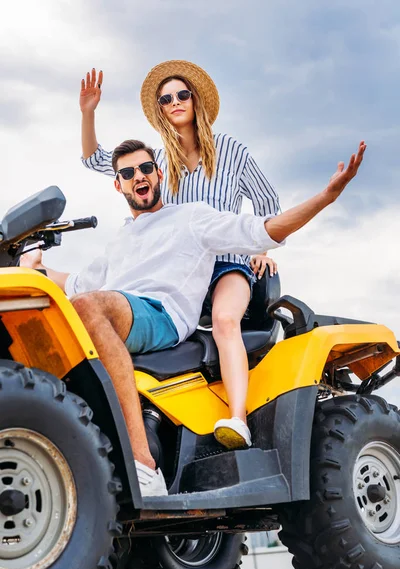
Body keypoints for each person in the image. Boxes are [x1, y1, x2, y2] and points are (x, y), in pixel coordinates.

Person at [21, 138, 366, 497]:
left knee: (88, 307)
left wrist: (325, 198)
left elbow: (263, 229)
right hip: (116, 309)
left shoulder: (191, 217)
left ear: (157, 173)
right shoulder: (121, 239)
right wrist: (34, 269)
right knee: (49, 318)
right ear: (118, 184)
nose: (138, 176)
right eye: (127, 172)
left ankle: (143, 463)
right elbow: (75, 283)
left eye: (145, 168)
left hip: (160, 315)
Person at [79, 62, 280, 450]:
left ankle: (237, 418)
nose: (174, 102)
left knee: (224, 320)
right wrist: (88, 113)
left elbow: (268, 202)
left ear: (196, 100)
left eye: (182, 94)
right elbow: (97, 161)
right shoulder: (156, 160)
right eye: (165, 98)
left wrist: (264, 250)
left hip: (226, 260)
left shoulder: (231, 151)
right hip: (179, 267)